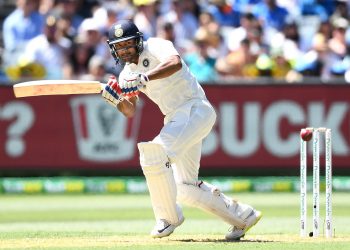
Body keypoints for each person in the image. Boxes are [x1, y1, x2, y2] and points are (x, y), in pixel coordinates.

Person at [101, 19, 262, 240]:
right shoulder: (126, 73)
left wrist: (144, 77)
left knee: (154, 155)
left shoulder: (156, 45)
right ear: (113, 49)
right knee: (184, 188)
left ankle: (168, 218)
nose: (125, 50)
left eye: (128, 44)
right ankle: (243, 216)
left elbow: (175, 62)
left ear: (138, 41)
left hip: (195, 108)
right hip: (176, 118)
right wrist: (116, 100)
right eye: (120, 46)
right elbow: (130, 111)